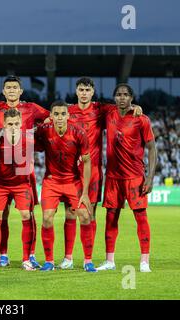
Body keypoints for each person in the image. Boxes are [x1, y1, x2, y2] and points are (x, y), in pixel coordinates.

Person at [59, 77, 143, 270]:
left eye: (87, 90)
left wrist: (135, 106)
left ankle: (88, 258)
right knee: (70, 213)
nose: (84, 93)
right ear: (76, 91)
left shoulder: (101, 110)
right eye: (81, 89)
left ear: (93, 92)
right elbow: (54, 118)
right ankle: (68, 258)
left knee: (90, 214)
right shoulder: (68, 111)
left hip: (93, 170)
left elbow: (122, 107)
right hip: (71, 170)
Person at [0, 75, 50, 268]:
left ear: (20, 91)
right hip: (1, 168)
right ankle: (2, 255)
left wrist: (39, 129)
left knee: (28, 213)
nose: (11, 90)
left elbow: (51, 116)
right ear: (3, 91)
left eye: (15, 87)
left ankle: (31, 254)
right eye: (8, 87)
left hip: (24, 170)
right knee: (0, 214)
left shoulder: (31, 108)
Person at [97, 84, 157, 272]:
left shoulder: (142, 119)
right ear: (114, 98)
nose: (122, 98)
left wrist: (150, 177)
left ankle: (144, 261)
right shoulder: (108, 114)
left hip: (135, 177)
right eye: (118, 95)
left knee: (141, 217)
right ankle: (109, 260)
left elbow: (152, 148)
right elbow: (88, 106)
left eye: (125, 95)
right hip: (113, 178)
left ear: (131, 97)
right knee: (111, 218)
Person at [35, 100, 97, 272]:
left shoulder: (78, 132)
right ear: (51, 116)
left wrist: (85, 192)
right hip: (52, 181)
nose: (60, 117)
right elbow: (29, 138)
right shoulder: (44, 130)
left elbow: (87, 162)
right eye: (56, 114)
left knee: (84, 216)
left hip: (73, 181)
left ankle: (88, 261)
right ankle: (49, 261)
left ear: (68, 116)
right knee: (47, 218)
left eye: (63, 114)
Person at [0, 108, 36, 271]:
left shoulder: (28, 140)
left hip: (21, 183)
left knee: (26, 214)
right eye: (10, 124)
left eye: (16, 123)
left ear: (21, 123)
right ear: (4, 124)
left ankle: (26, 259)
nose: (13, 127)